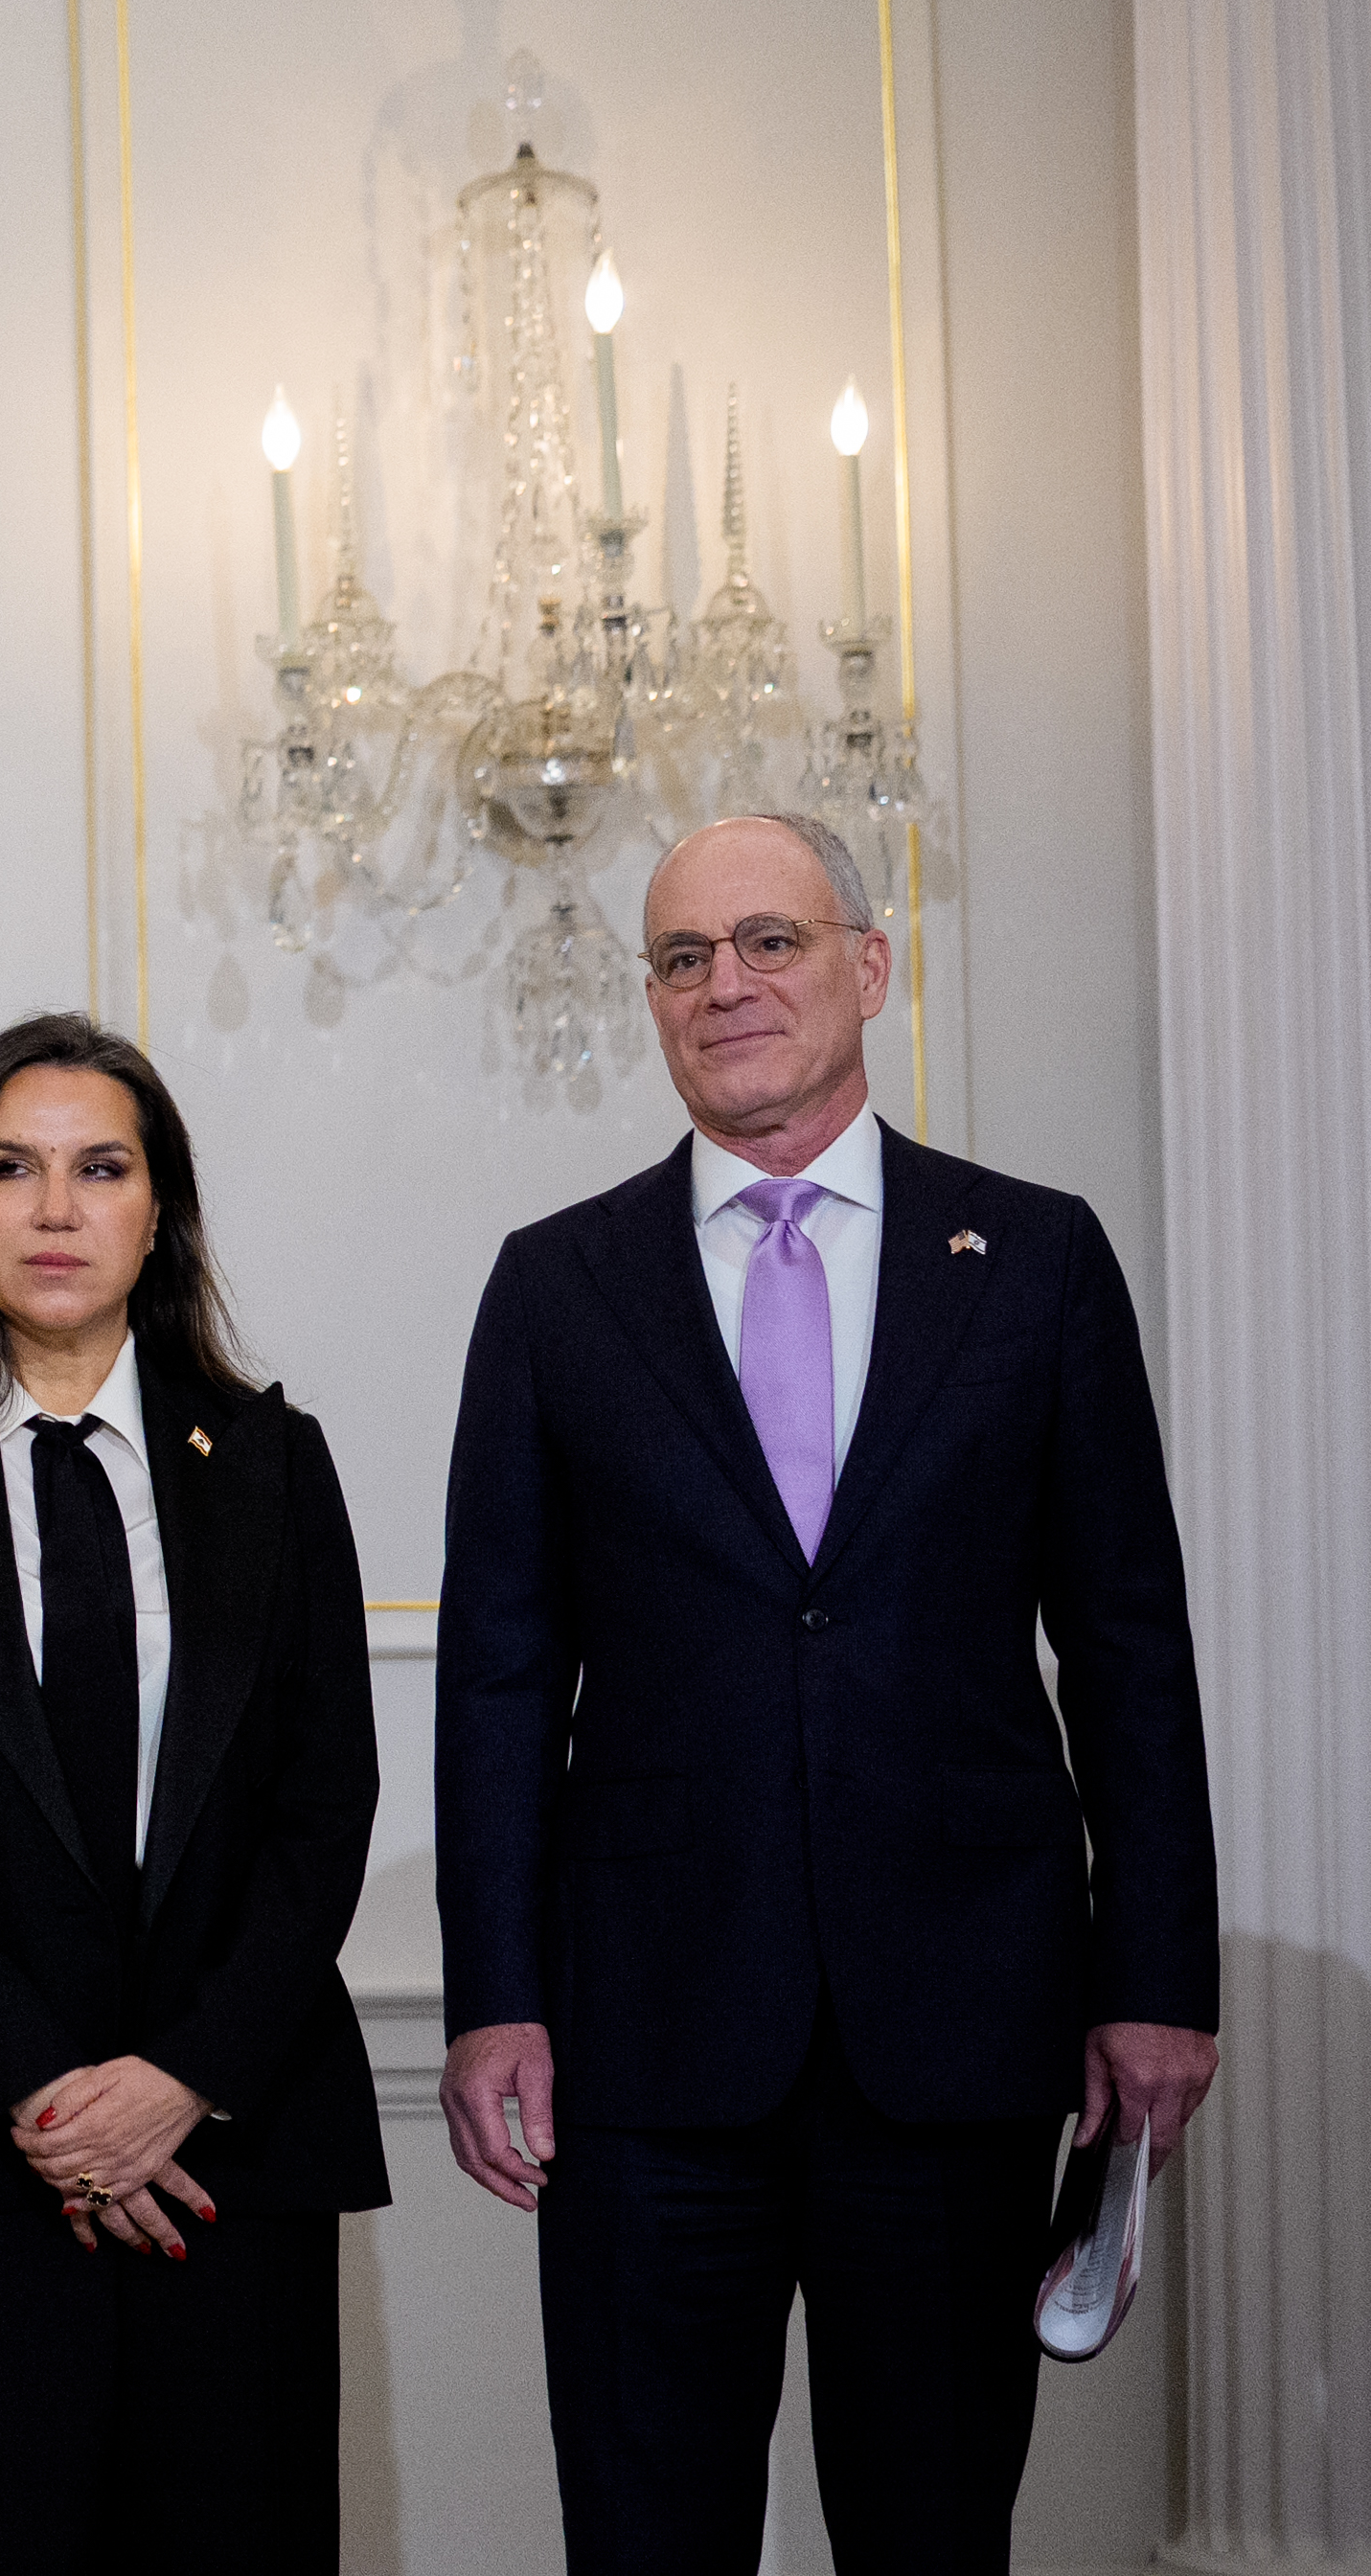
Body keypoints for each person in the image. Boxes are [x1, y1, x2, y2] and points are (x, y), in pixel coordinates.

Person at [440, 809, 1221, 2575]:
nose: (727, 986)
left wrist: (1156, 1971)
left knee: (932, 2529)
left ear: (869, 966)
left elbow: (1126, 1642)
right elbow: (497, 1668)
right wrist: (493, 1993)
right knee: (647, 2533)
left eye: (770, 941)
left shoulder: (1035, 1258)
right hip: (643, 2038)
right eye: (683, 957)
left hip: (958, 2029)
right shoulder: (557, 1285)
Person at [0, 1014, 384, 2574]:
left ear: (158, 1205)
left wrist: (179, 2074)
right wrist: (46, 2093)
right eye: (11, 1166)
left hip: (226, 2147)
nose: (55, 1207)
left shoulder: (273, 1458)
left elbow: (327, 1803)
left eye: (99, 1166)